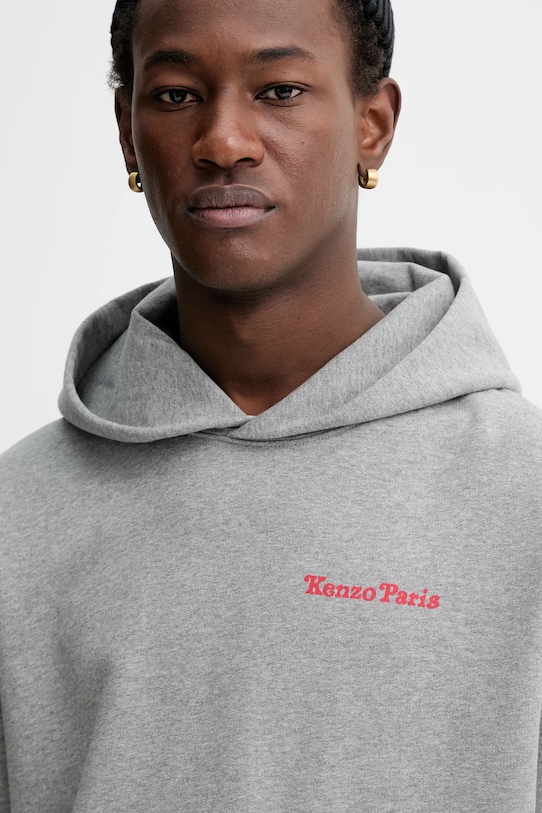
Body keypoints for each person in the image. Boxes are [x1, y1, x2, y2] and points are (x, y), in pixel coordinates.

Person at [0, 0, 541, 810]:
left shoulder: (524, 493)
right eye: (177, 94)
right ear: (127, 132)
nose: (223, 142)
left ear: (373, 124)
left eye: (280, 90)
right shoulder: (18, 511)